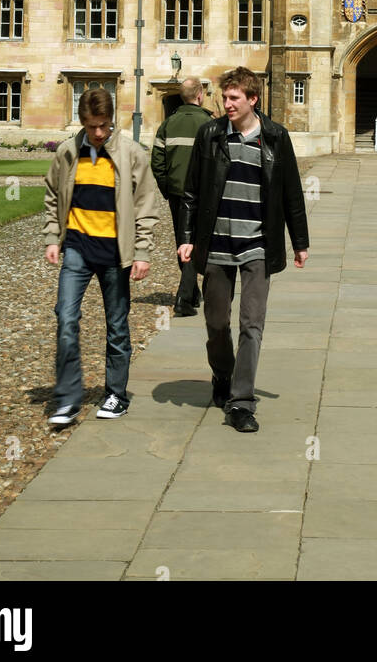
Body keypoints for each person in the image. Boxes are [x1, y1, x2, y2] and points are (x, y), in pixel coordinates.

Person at [180, 67, 309, 433]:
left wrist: (299, 242)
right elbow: (191, 191)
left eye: (234, 98)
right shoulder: (210, 134)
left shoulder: (275, 137)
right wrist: (187, 236)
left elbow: (291, 194)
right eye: (225, 97)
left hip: (257, 244)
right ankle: (223, 375)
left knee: (251, 324)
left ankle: (241, 401)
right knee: (216, 323)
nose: (227, 104)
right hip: (216, 243)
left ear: (253, 100)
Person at [43, 87, 158, 426]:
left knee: (117, 327)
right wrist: (53, 237)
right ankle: (67, 399)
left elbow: (145, 206)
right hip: (77, 248)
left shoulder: (132, 153)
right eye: (92, 126)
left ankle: (116, 394)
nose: (98, 133)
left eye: (104, 126)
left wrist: (142, 252)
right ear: (82, 122)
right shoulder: (67, 152)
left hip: (115, 253)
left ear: (112, 122)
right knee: (65, 318)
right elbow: (52, 194)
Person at [151, 77, 212, 316]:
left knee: (182, 241)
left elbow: (157, 162)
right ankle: (184, 298)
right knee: (197, 243)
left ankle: (192, 292)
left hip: (177, 193)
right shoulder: (209, 123)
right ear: (200, 95)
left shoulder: (168, 124)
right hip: (202, 195)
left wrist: (168, 187)